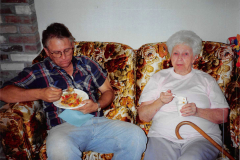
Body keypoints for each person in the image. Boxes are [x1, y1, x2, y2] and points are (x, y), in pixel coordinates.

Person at [0, 23, 147, 160]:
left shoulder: (87, 64)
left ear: (72, 45)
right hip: (63, 129)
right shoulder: (39, 70)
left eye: (67, 50)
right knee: (60, 148)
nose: (63, 57)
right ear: (47, 52)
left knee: (136, 135)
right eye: (57, 53)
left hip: (97, 123)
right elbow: (4, 92)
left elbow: (108, 91)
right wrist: (40, 93)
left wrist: (97, 105)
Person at [138, 30, 229, 160]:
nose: (179, 58)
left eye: (185, 53)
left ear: (195, 57)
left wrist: (197, 111)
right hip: (162, 138)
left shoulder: (206, 80)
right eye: (176, 53)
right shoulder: (159, 77)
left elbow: (223, 115)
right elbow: (143, 116)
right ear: (170, 56)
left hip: (202, 139)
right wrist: (160, 101)